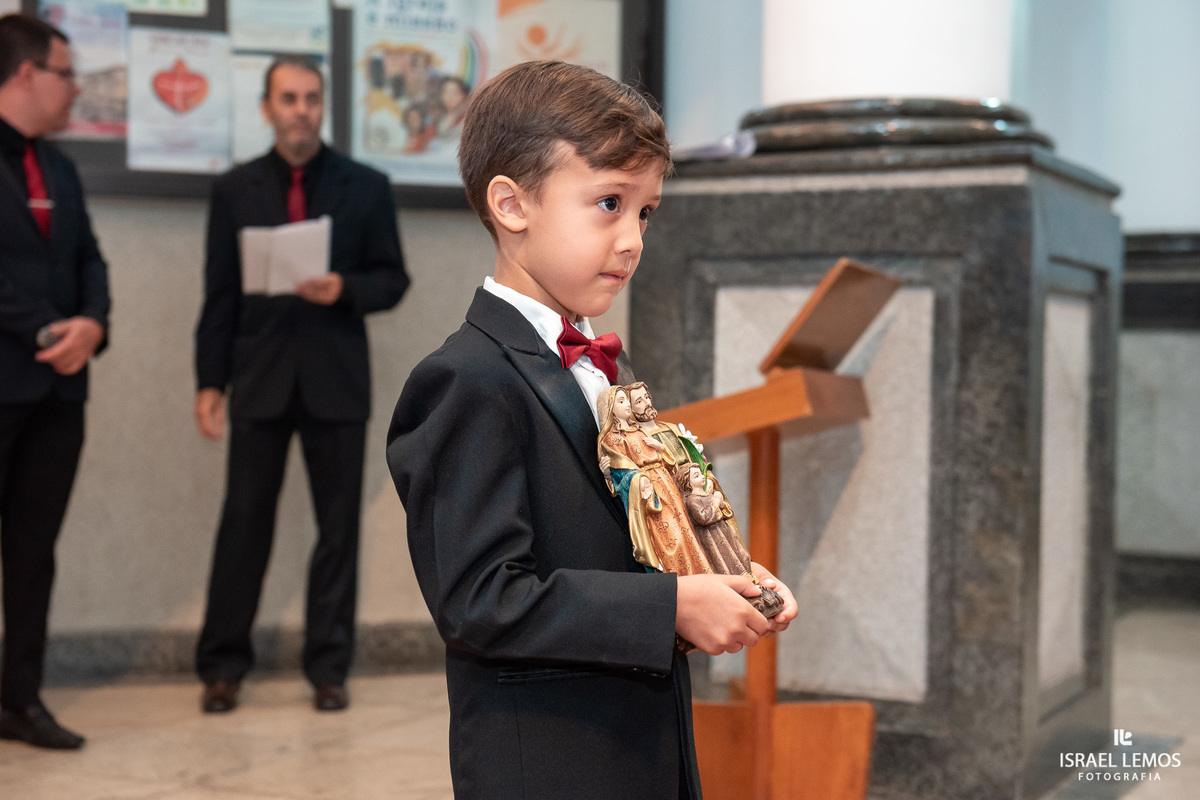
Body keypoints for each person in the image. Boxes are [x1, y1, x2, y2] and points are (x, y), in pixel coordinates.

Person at [386, 60, 797, 799]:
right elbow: (482, 600)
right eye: (609, 203)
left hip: (640, 745)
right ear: (512, 205)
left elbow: (640, 529)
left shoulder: (606, 361)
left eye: (646, 212)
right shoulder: (466, 381)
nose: (634, 238)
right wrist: (670, 609)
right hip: (551, 758)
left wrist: (721, 579)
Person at [193, 55, 408, 714]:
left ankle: (328, 668)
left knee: (337, 530)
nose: (300, 110)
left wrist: (345, 288)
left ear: (323, 107)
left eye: (311, 98)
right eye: (288, 98)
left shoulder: (365, 186)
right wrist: (210, 382)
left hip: (335, 382)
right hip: (258, 379)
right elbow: (219, 295)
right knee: (243, 525)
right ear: (267, 108)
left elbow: (392, 278)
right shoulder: (234, 190)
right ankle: (223, 666)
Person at [0, 13, 109, 750]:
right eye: (67, 73)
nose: (77, 88)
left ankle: (19, 699)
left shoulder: (63, 168)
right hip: (6, 377)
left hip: (57, 396)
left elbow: (90, 262)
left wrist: (93, 325)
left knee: (34, 552)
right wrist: (47, 330)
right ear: (27, 73)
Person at [598, 384, 712, 576]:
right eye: (621, 401)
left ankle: (700, 573)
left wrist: (660, 449)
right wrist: (613, 476)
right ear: (609, 407)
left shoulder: (640, 431)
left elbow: (666, 460)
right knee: (668, 537)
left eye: (627, 400)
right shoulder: (613, 439)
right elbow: (622, 476)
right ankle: (679, 579)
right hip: (649, 489)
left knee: (686, 530)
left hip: (667, 482)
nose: (627, 405)